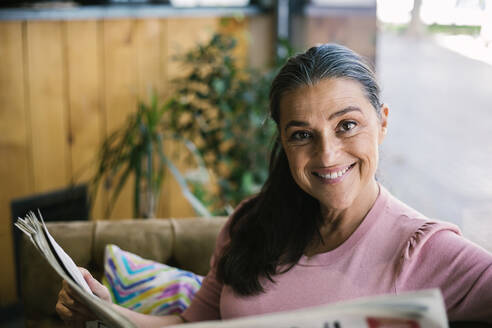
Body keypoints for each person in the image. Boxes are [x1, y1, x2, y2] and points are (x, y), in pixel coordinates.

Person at [56, 43, 492, 327]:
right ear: (284, 142)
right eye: (302, 134)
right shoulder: (250, 223)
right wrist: (105, 309)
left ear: (382, 124)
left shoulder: (424, 248)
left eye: (347, 126)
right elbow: (194, 326)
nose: (327, 156)